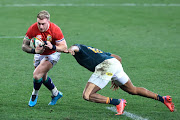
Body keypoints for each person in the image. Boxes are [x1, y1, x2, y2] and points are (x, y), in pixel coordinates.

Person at [66, 44, 175, 115]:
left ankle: (118, 102)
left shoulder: (79, 48)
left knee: (87, 95)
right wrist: (113, 76)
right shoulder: (95, 51)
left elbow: (76, 47)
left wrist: (71, 49)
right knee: (133, 90)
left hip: (105, 66)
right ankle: (163, 99)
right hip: (114, 64)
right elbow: (118, 58)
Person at [22, 10, 67, 107]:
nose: (41, 26)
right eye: (39, 23)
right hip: (39, 54)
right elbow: (24, 46)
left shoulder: (55, 30)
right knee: (43, 77)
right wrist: (35, 51)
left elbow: (64, 48)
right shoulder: (33, 28)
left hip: (52, 54)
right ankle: (56, 93)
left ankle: (34, 94)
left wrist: (53, 47)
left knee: (36, 75)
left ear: (48, 22)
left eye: (43, 24)